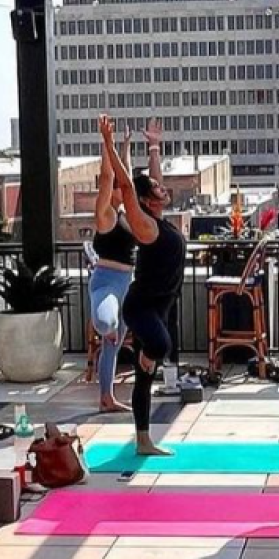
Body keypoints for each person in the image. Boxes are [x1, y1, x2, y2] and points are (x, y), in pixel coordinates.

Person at [100, 114, 184, 457]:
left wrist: (153, 146)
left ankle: (143, 440)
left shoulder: (160, 220)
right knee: (160, 346)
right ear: (150, 201)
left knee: (145, 377)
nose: (164, 188)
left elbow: (152, 180)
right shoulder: (145, 225)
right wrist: (108, 144)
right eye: (158, 189)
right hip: (141, 306)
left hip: (161, 305)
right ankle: (148, 358)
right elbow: (128, 187)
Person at [89, 126, 137, 413]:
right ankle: (105, 327)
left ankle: (106, 397)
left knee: (114, 346)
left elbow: (124, 175)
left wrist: (126, 147)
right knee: (108, 326)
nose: (123, 181)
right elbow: (109, 176)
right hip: (106, 282)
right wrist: (107, 144)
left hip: (127, 284)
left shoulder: (125, 213)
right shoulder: (105, 214)